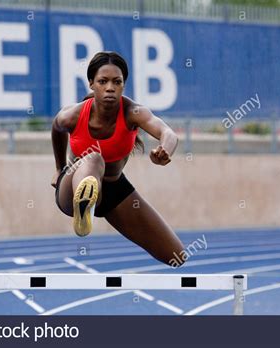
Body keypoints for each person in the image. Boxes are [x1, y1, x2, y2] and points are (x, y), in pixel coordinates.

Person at [51, 51, 185, 266]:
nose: (110, 88)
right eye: (103, 82)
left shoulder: (133, 112)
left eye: (117, 82)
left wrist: (165, 150)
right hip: (73, 186)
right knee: (94, 159)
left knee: (177, 256)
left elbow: (167, 132)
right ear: (91, 84)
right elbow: (56, 128)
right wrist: (59, 169)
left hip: (114, 191)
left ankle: (92, 200)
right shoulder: (72, 115)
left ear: (123, 85)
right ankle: (84, 206)